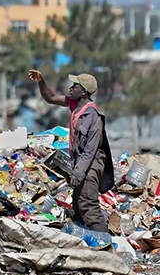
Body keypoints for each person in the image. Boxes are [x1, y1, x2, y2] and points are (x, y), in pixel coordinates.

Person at [28, 70, 114, 233]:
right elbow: (51, 98)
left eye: (75, 86)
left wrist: (78, 174)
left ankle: (105, 246)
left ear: (84, 92)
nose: (71, 88)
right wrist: (41, 80)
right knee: (78, 206)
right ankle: (86, 243)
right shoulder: (74, 105)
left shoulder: (92, 116)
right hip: (81, 164)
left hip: (90, 166)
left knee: (89, 206)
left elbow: (90, 149)